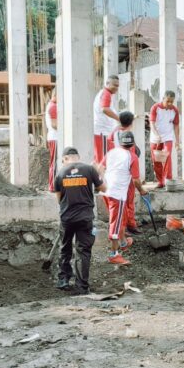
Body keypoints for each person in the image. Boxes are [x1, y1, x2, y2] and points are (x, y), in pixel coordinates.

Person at [53, 147, 107, 295]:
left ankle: (63, 280)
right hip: (85, 218)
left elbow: (59, 200)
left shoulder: (60, 174)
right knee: (83, 251)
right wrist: (101, 173)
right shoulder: (89, 169)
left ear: (65, 158)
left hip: (67, 218)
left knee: (65, 248)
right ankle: (82, 286)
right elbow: (104, 188)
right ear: (78, 156)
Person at [102, 131, 148, 265]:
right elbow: (136, 181)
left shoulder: (111, 153)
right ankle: (114, 255)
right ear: (133, 144)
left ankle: (123, 243)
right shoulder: (132, 157)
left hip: (106, 190)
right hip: (117, 193)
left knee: (120, 219)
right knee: (115, 222)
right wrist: (142, 191)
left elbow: (100, 168)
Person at [107, 111, 141, 235]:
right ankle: (127, 226)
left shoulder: (113, 133)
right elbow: (133, 153)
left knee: (121, 201)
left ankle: (125, 226)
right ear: (131, 123)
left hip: (115, 172)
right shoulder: (128, 136)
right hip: (126, 171)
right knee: (128, 200)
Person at [149, 91, 181, 188]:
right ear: (163, 99)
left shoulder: (174, 110)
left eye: (172, 102)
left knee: (167, 155)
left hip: (168, 137)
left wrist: (177, 141)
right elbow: (152, 124)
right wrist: (157, 135)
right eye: (168, 101)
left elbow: (176, 126)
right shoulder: (155, 108)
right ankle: (161, 181)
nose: (170, 104)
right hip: (155, 137)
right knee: (156, 160)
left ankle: (168, 180)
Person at [93, 75, 120, 164]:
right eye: (114, 85)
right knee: (104, 160)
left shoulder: (104, 93)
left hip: (102, 131)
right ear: (107, 83)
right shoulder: (106, 93)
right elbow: (105, 109)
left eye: (118, 86)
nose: (116, 88)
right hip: (103, 132)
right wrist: (119, 119)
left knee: (101, 159)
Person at [45, 91, 58, 191]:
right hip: (55, 137)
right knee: (54, 162)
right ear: (55, 95)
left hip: (53, 137)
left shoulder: (51, 105)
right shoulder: (53, 106)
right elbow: (54, 125)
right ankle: (52, 186)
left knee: (55, 161)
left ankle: (53, 185)